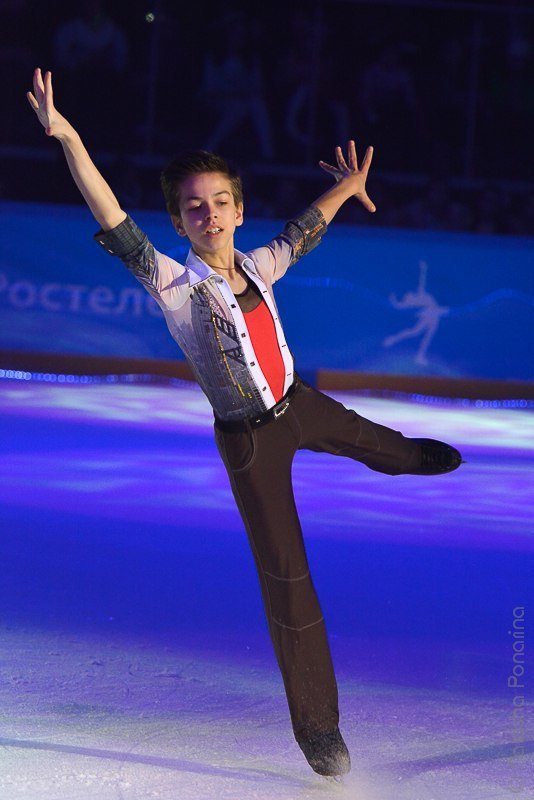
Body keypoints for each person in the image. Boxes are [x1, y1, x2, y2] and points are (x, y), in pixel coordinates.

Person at [27, 68, 463, 779]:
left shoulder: (258, 267)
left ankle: (411, 458)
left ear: (235, 209)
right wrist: (69, 136)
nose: (210, 214)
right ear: (179, 222)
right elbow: (112, 218)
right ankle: (319, 728)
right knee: (287, 578)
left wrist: (346, 189)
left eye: (220, 202)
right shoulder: (175, 284)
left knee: (375, 441)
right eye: (194, 208)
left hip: (302, 404)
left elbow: (303, 232)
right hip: (250, 440)